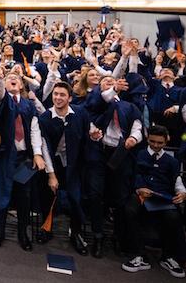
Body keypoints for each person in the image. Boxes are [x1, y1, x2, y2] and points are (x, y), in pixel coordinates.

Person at [0, 66, 46, 251]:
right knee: (2, 195)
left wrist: (37, 153)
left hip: (23, 158)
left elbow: (34, 129)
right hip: (3, 156)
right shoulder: (0, 101)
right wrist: (0, 79)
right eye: (9, 78)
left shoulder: (28, 105)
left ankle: (22, 233)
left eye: (16, 78)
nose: (13, 79)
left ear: (22, 83)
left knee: (24, 197)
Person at [86, 75, 143, 258]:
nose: (111, 83)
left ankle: (118, 236)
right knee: (95, 195)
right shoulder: (96, 102)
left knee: (120, 198)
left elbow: (137, 125)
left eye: (113, 81)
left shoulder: (128, 106)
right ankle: (98, 236)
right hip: (99, 152)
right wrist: (92, 133)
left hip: (121, 154)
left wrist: (134, 138)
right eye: (106, 82)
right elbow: (92, 118)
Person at [121, 125, 186, 278]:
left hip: (163, 197)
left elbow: (177, 182)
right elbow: (131, 176)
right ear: (148, 139)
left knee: (173, 216)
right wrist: (139, 189)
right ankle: (139, 255)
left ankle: (168, 256)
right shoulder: (139, 154)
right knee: (130, 209)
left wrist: (182, 194)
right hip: (141, 195)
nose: (156, 145)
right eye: (152, 141)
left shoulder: (172, 161)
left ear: (166, 141)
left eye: (160, 143)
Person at [36, 81, 90, 255]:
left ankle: (75, 233)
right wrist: (51, 175)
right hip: (53, 163)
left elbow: (87, 134)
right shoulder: (45, 118)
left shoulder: (80, 113)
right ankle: (46, 229)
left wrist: (95, 135)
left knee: (76, 198)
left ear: (70, 98)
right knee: (48, 197)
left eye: (62, 95)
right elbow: (44, 147)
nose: (58, 98)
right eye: (55, 94)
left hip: (75, 164)